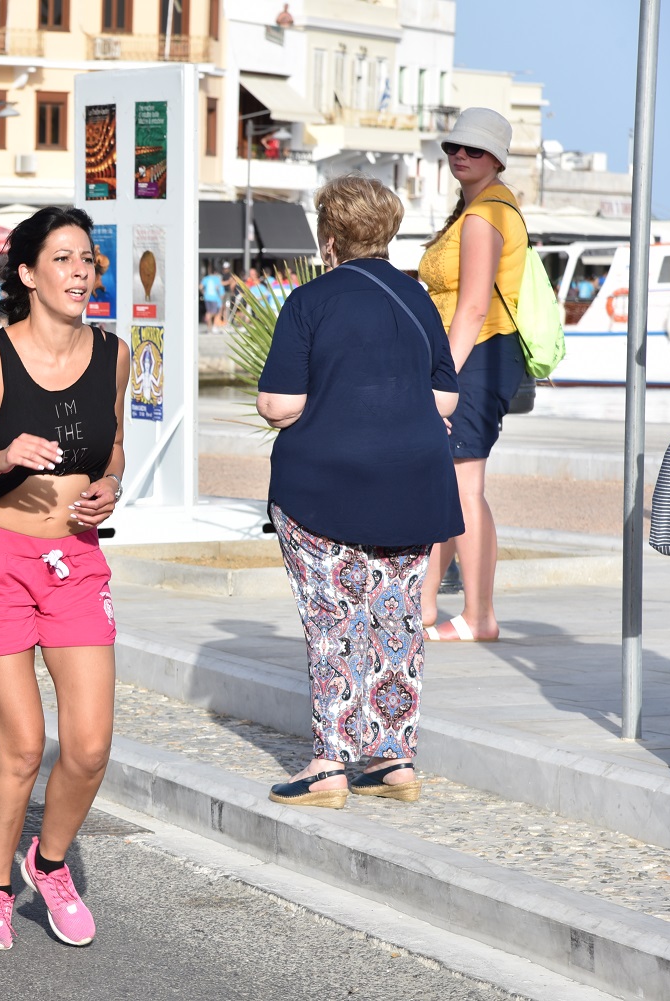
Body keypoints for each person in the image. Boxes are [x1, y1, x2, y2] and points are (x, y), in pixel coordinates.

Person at [0, 206, 129, 950]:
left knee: (89, 746)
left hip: (76, 560)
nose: (81, 271)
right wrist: (3, 455)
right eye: (64, 258)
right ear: (28, 273)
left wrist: (110, 485)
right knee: (21, 745)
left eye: (88, 259)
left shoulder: (114, 353)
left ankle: (48, 863)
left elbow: (113, 447)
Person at [257, 174, 462, 809]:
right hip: (415, 483)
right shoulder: (417, 298)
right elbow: (445, 399)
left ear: (329, 237)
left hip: (325, 486)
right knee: (397, 615)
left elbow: (277, 405)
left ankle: (329, 766)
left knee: (333, 618)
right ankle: (395, 761)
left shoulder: (310, 301)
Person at [417, 108, 526, 643]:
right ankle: (423, 606)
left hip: (474, 355)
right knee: (448, 482)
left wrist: (443, 378)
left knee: (464, 485)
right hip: (472, 354)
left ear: (497, 159)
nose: (460, 155)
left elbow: (475, 306)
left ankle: (480, 615)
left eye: (474, 149)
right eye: (453, 147)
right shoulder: (478, 208)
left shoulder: (486, 215)